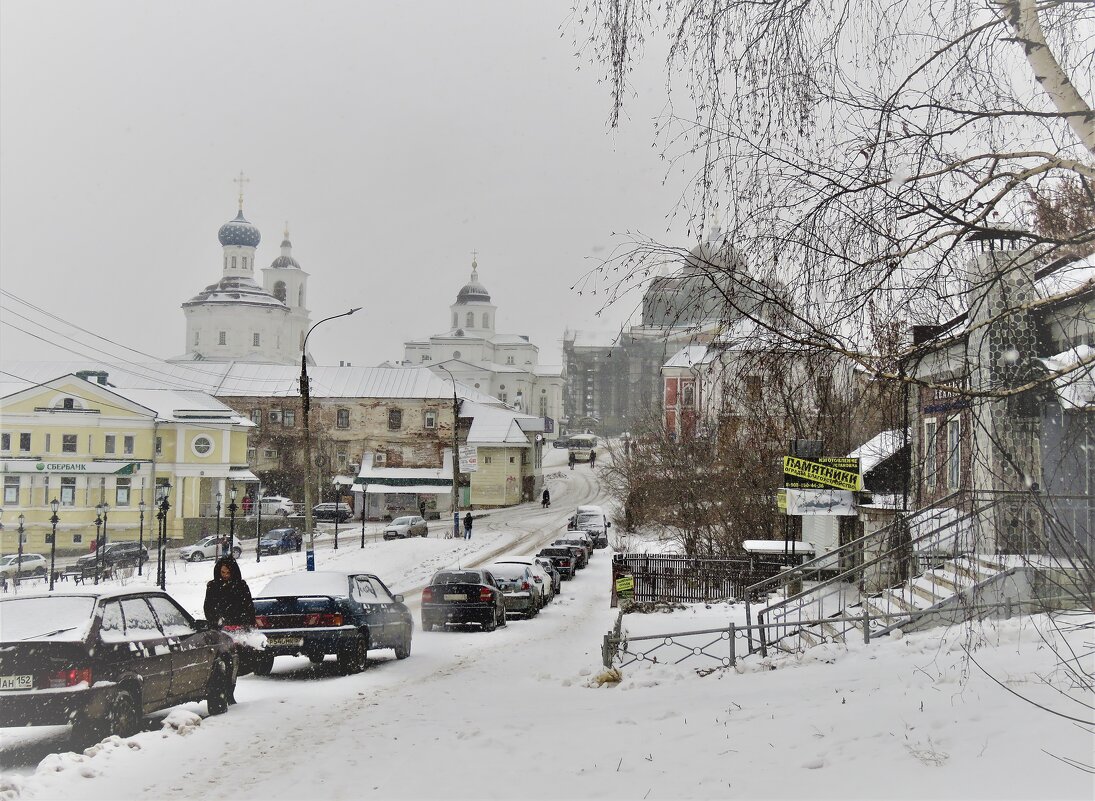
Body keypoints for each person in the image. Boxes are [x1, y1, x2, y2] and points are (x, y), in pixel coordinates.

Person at [203, 557, 256, 702]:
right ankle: (222, 692)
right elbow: (208, 607)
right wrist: (216, 621)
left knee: (235, 663)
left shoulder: (241, 586)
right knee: (223, 663)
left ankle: (230, 692)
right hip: (221, 630)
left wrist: (247, 624)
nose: (225, 575)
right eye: (222, 572)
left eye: (227, 572)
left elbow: (248, 606)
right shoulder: (213, 587)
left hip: (238, 629)